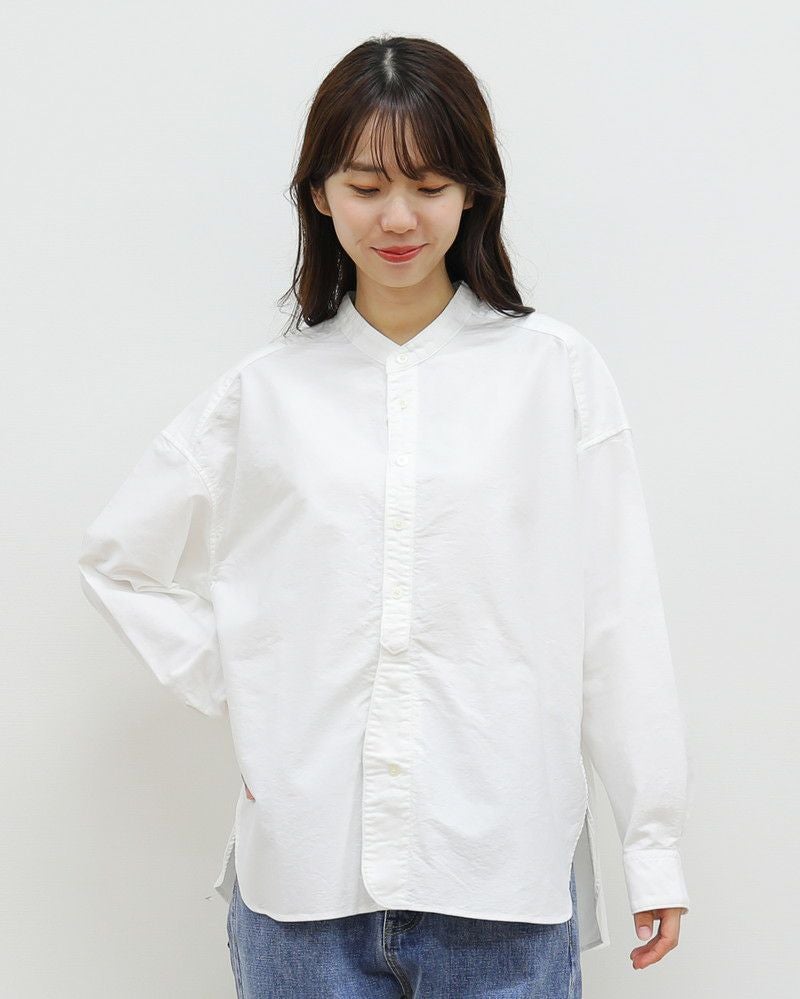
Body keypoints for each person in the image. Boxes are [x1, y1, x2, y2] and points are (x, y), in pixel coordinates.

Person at [77, 34, 691, 998]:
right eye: (365, 186)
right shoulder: (264, 394)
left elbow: (618, 620)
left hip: (504, 877)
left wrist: (652, 846)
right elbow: (119, 562)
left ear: (474, 192)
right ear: (319, 194)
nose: (398, 217)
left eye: (430, 185)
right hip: (303, 890)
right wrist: (246, 683)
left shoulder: (555, 374)